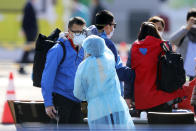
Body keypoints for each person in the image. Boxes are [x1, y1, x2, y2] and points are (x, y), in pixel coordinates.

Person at [74, 35, 134, 130]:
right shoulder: (109, 59)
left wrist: (88, 96)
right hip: (117, 106)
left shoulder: (83, 66)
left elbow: (78, 93)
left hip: (98, 110)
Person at [127, 22, 185, 112]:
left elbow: (130, 72)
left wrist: (128, 96)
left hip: (141, 99)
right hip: (163, 98)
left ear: (141, 33)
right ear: (156, 32)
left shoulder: (135, 47)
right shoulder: (164, 45)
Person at [41, 17, 86, 123]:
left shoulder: (83, 49)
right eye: (77, 32)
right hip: (61, 100)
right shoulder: (57, 50)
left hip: (76, 100)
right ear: (69, 32)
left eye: (82, 32)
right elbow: (47, 77)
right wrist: (48, 103)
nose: (80, 35)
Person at [124, 16, 166, 109]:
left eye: (160, 29)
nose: (158, 31)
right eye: (156, 29)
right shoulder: (137, 47)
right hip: (145, 95)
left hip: (155, 95)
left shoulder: (164, 47)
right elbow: (130, 71)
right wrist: (127, 96)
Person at [92, 10, 134, 96]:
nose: (113, 28)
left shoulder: (89, 41)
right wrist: (135, 74)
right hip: (109, 93)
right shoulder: (107, 43)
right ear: (107, 26)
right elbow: (115, 70)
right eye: (113, 25)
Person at [170, 8, 196, 81]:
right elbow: (171, 40)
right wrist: (187, 28)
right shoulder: (184, 33)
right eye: (192, 21)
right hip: (183, 74)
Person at [18, 0, 38, 74]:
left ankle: (22, 66)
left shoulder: (30, 5)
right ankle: (21, 67)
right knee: (27, 49)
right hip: (30, 31)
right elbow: (25, 19)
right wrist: (23, 29)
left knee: (29, 49)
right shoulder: (28, 5)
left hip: (31, 31)